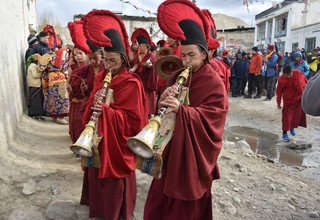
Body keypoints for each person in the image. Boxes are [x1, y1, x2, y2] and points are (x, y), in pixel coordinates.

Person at [143, 1, 228, 219]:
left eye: (192, 55)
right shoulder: (175, 76)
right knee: (157, 202)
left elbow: (214, 119)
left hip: (191, 155)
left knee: (184, 206)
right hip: (170, 151)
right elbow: (161, 114)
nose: (187, 60)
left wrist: (183, 110)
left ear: (204, 54)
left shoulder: (213, 82)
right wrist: (163, 102)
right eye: (184, 55)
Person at [80, 10, 148, 219]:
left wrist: (108, 112)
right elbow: (88, 106)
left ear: (123, 59)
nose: (108, 66)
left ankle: (118, 212)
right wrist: (94, 102)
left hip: (118, 144)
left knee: (116, 183)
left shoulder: (132, 83)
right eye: (105, 60)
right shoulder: (101, 76)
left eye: (113, 61)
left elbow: (134, 122)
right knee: (95, 171)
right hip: (99, 137)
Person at [131, 28, 158, 116]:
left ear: (147, 46)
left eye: (142, 45)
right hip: (139, 84)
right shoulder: (137, 56)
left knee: (147, 107)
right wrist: (132, 70)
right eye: (139, 45)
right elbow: (135, 67)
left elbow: (153, 65)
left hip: (147, 85)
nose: (139, 47)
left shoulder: (151, 56)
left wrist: (149, 66)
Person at [276, 65, 307, 142]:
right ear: (283, 74)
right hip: (288, 101)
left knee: (296, 115)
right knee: (286, 117)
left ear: (292, 71)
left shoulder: (297, 73)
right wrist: (278, 102)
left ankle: (292, 127)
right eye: (287, 75)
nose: (289, 76)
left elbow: (304, 80)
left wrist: (307, 88)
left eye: (290, 74)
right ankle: (284, 133)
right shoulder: (281, 79)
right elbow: (279, 92)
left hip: (298, 99)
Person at [26, 53, 45, 120]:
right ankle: (34, 113)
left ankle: (35, 113)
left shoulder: (32, 65)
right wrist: (42, 74)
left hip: (34, 85)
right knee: (35, 100)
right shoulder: (33, 66)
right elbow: (35, 75)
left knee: (35, 100)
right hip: (35, 85)